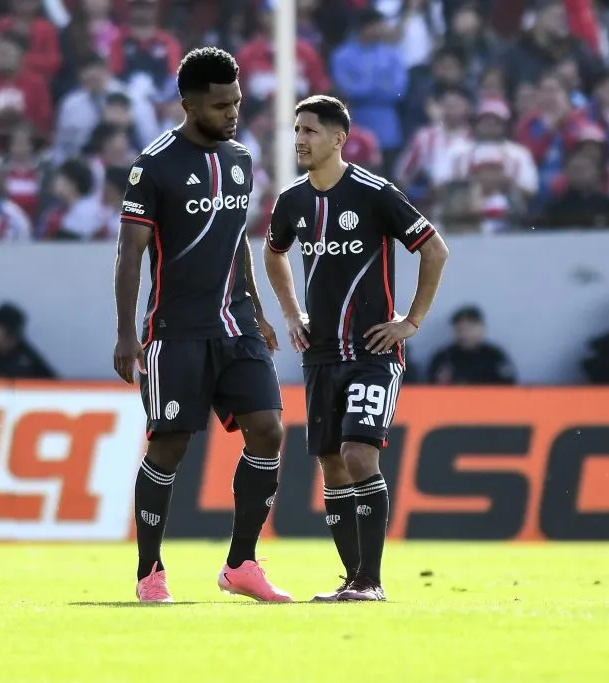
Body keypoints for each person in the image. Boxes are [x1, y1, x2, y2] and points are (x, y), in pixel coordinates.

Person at [112, 47, 291, 604]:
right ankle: (150, 572)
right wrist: (126, 332)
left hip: (236, 324)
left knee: (269, 431)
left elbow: (238, 238)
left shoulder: (240, 158)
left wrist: (257, 309)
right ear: (189, 104)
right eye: (220, 105)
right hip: (176, 330)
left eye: (236, 102)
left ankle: (241, 563)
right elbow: (129, 253)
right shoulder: (155, 164)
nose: (232, 112)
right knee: (168, 446)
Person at [263, 95, 449, 602]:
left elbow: (434, 248)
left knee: (357, 453)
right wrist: (291, 312)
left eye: (310, 132)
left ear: (339, 139)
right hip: (320, 352)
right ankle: (353, 580)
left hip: (372, 352)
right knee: (332, 463)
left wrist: (411, 321)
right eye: (296, 131)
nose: (299, 140)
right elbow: (273, 253)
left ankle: (372, 581)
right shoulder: (293, 201)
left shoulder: (374, 193)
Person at [427, 305, 517, 385]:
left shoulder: (494, 357)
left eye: (470, 328)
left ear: (481, 327)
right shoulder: (444, 358)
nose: (465, 333)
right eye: (460, 328)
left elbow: (508, 386)